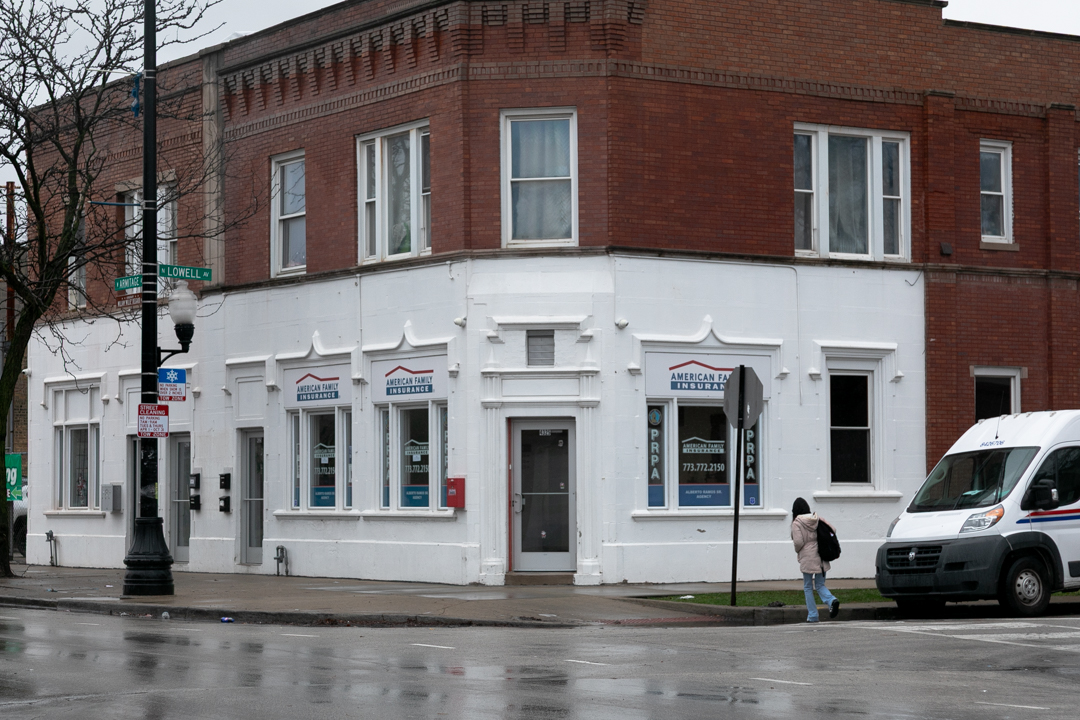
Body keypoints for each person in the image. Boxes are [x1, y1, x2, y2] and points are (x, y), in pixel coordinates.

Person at [791, 497, 840, 622]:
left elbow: (798, 542)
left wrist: (799, 550)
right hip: (821, 556)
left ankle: (812, 615)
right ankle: (831, 600)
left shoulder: (797, 523)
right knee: (819, 584)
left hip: (808, 558)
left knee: (808, 586)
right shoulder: (816, 518)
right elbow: (832, 529)